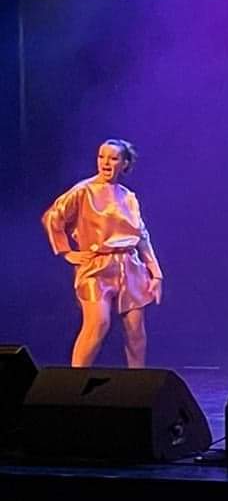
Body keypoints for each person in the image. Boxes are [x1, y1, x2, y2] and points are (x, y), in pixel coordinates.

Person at [42, 138, 163, 368]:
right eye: (101, 157)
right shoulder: (83, 191)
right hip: (97, 267)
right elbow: (53, 217)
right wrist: (66, 251)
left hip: (130, 265)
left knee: (135, 332)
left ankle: (138, 383)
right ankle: (74, 381)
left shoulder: (128, 197)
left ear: (124, 164)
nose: (105, 163)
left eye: (113, 158)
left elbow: (142, 235)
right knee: (98, 323)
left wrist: (156, 273)